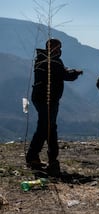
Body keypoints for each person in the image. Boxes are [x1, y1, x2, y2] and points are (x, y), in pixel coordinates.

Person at [26, 38, 83, 176]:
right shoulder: (54, 61)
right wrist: (76, 72)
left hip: (40, 97)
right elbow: (65, 75)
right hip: (48, 99)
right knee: (46, 127)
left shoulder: (41, 59)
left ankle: (49, 158)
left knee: (48, 126)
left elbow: (57, 73)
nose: (60, 50)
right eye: (59, 47)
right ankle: (34, 157)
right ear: (54, 48)